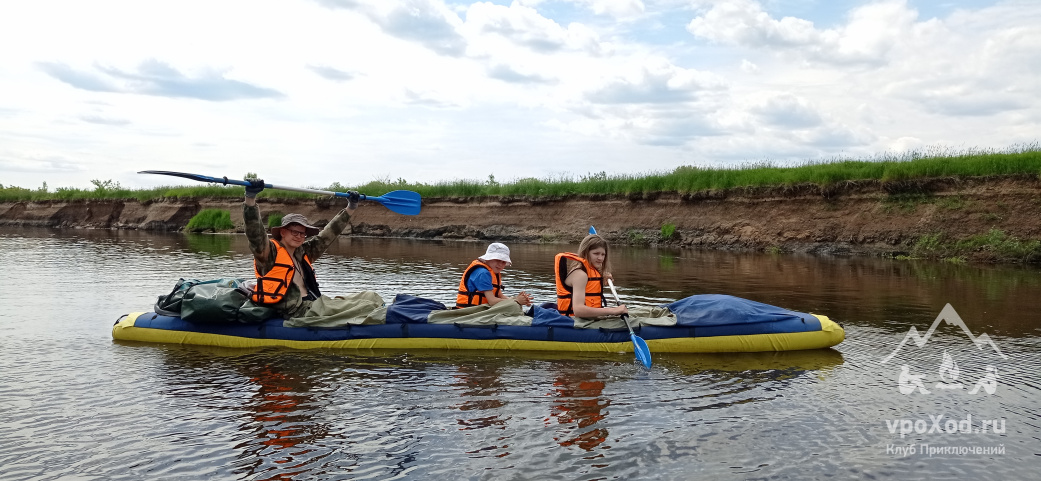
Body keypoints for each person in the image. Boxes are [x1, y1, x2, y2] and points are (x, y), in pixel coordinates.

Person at [242, 178, 358, 319]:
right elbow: (255, 233)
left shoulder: (304, 252)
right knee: (365, 306)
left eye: (302, 233)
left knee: (370, 297)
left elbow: (328, 234)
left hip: (313, 302)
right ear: (283, 232)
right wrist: (250, 198)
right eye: (294, 232)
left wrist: (351, 207)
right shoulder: (268, 253)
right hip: (295, 311)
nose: (299, 236)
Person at [554, 234, 627, 318]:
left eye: (603, 254)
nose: (600, 258)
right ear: (585, 253)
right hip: (574, 321)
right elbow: (578, 311)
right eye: (596, 253)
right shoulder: (580, 275)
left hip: (589, 319)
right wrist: (613, 310)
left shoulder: (591, 270)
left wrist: (602, 275)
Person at [455, 242, 533, 309]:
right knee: (513, 307)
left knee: (514, 306)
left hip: (481, 310)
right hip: (469, 312)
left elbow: (499, 296)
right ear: (488, 258)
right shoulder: (483, 273)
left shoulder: (493, 272)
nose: (500, 264)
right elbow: (492, 301)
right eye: (497, 260)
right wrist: (516, 301)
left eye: (503, 262)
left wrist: (519, 300)